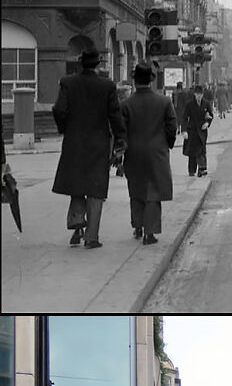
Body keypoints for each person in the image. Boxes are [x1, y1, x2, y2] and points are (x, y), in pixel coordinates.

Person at [51, 48, 126, 249]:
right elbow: (115, 115)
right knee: (95, 188)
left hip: (74, 141)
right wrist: (120, 138)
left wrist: (64, 128)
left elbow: (59, 109)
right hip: (98, 142)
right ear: (98, 65)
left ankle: (77, 225)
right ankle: (92, 238)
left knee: (77, 183)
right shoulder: (107, 86)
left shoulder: (68, 83)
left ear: (80, 64)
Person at [119, 62, 177, 246]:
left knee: (136, 188)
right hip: (156, 152)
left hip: (134, 152)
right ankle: (149, 233)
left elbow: (121, 131)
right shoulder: (164, 102)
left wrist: (121, 150)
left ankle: (137, 225)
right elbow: (172, 127)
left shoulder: (126, 104)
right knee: (153, 191)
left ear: (135, 82)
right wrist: (167, 144)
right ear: (151, 81)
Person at [183, 84, 214, 177]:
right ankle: (192, 171)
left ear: (203, 94)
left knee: (202, 150)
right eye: (197, 94)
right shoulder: (189, 104)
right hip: (192, 130)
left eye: (200, 94)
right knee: (192, 151)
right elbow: (184, 117)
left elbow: (210, 115)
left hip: (202, 130)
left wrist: (207, 123)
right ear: (194, 95)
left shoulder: (206, 104)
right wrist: (184, 131)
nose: (199, 96)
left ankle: (202, 169)